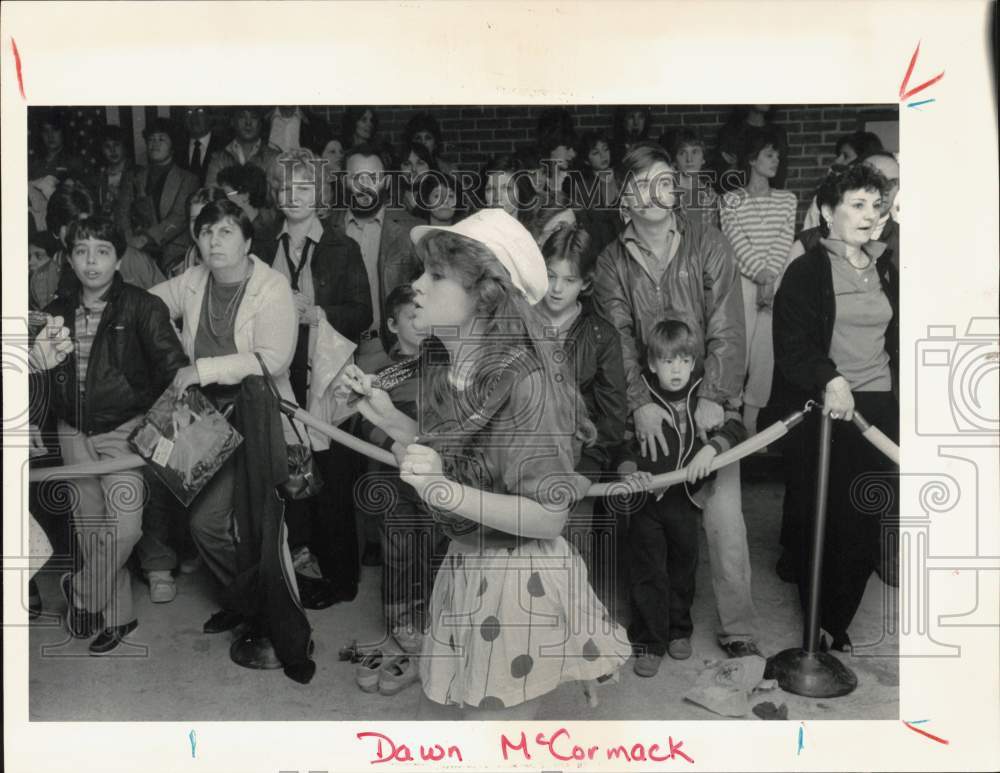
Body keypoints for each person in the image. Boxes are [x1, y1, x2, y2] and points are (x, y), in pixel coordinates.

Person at [343, 208, 630, 719]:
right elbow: (448, 459)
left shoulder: (526, 383)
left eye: (434, 275)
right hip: (466, 562)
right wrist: (391, 420)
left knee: (494, 732)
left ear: (485, 293)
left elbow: (548, 516)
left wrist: (442, 491)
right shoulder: (444, 361)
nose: (416, 287)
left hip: (516, 580)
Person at [593, 141, 762, 658]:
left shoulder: (710, 244)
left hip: (707, 404)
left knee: (723, 518)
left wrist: (714, 397)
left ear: (676, 190)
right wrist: (640, 403)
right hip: (648, 408)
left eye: (663, 182)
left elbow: (729, 328)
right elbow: (616, 338)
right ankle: (650, 629)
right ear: (624, 195)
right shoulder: (609, 261)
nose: (652, 194)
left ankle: (739, 632)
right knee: (648, 518)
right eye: (640, 184)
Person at [34, 215, 188, 654]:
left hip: (125, 431)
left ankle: (81, 595)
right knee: (93, 530)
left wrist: (158, 433)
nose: (91, 261)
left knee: (124, 528)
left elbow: (175, 372)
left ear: (119, 258)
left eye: (102, 251)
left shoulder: (142, 305)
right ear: (69, 258)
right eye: (81, 251)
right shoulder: (56, 312)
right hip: (72, 431)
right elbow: (38, 376)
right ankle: (119, 617)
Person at [149, 199, 298, 635]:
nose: (214, 240)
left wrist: (203, 369)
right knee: (205, 524)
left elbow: (275, 359)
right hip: (205, 417)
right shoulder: (194, 279)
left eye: (226, 231)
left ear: (248, 241)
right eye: (207, 231)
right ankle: (244, 599)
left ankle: (266, 608)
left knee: (256, 524)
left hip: (257, 415)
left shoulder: (272, 287)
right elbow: (144, 307)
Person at [771, 162, 898, 651]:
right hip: (825, 410)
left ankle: (837, 619)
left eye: (875, 205)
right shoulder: (806, 270)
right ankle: (817, 623)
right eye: (857, 205)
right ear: (827, 212)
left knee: (865, 521)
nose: (869, 215)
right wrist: (831, 378)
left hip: (877, 411)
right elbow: (793, 343)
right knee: (820, 518)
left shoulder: (886, 266)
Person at [260, 148, 372, 605]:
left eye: (304, 187)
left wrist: (317, 312)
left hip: (327, 371)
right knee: (291, 479)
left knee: (333, 479)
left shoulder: (344, 246)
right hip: (281, 371)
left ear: (320, 194)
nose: (294, 196)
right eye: (286, 187)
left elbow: (362, 312)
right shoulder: (263, 243)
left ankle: (340, 581)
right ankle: (301, 577)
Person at [622, 318, 747, 674]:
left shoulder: (701, 397)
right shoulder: (641, 398)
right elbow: (619, 441)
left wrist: (712, 451)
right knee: (647, 569)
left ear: (693, 364)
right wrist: (630, 471)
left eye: (683, 361)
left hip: (685, 502)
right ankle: (649, 641)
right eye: (667, 361)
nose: (676, 369)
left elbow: (736, 428)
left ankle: (679, 630)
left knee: (682, 567)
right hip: (646, 503)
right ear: (651, 364)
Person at [536, 223, 627, 607]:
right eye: (551, 276)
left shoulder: (603, 336)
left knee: (571, 557)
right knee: (517, 561)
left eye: (569, 280)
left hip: (576, 464)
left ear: (586, 284)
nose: (557, 289)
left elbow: (612, 417)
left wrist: (583, 472)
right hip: (519, 462)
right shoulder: (517, 324)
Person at [719, 131, 797, 435]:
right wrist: (761, 275)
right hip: (743, 281)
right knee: (739, 347)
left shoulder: (787, 200)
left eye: (777, 156)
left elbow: (783, 240)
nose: (775, 161)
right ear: (752, 159)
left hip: (775, 282)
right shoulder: (730, 200)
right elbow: (735, 241)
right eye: (768, 155)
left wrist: (771, 277)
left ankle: (751, 421)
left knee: (765, 352)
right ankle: (732, 414)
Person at [326, 144, 423, 370]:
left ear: (387, 182)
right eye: (356, 177)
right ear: (343, 181)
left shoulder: (411, 231)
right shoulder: (326, 229)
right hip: (334, 353)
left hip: (391, 351)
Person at [116, 117, 199, 273]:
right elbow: (122, 213)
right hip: (135, 249)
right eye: (151, 139)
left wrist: (145, 238)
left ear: (173, 145)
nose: (155, 143)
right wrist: (129, 242)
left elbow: (179, 217)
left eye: (161, 139)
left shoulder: (188, 179)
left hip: (174, 253)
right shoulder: (132, 176)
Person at [47, 185, 165, 295]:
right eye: (71, 227)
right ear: (55, 231)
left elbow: (168, 306)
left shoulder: (131, 260)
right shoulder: (45, 279)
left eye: (87, 224)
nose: (81, 233)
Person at [800, 131, 884, 231]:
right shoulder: (823, 197)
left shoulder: (882, 200)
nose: (837, 161)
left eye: (846, 156)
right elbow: (808, 234)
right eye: (839, 155)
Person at [715, 105, 789, 192]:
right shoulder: (730, 133)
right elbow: (726, 177)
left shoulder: (778, 133)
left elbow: (780, 173)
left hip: (770, 198)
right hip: (740, 199)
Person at [205, 107, 281, 189]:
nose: (248, 123)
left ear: (260, 123)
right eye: (242, 117)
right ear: (233, 122)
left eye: (254, 117)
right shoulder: (218, 159)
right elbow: (211, 194)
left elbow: (282, 196)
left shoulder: (275, 159)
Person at [216, 162, 281, 249]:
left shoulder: (259, 236)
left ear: (245, 195)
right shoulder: (254, 225)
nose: (222, 200)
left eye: (226, 193)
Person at [668, 128, 720, 229]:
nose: (689, 159)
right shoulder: (667, 194)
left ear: (703, 158)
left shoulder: (711, 196)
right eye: (682, 153)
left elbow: (715, 237)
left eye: (695, 152)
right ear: (674, 160)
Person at [87, 124, 135, 219]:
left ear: (124, 146)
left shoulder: (138, 173)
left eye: (116, 145)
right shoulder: (98, 177)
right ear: (102, 150)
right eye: (107, 146)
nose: (112, 150)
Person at [177, 107, 226, 186]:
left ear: (210, 117)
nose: (194, 117)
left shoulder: (224, 146)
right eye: (189, 112)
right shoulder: (177, 147)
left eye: (200, 111)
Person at [402, 111, 454, 175]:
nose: (423, 142)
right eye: (418, 138)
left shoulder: (447, 168)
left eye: (428, 138)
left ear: (435, 143)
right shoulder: (404, 167)